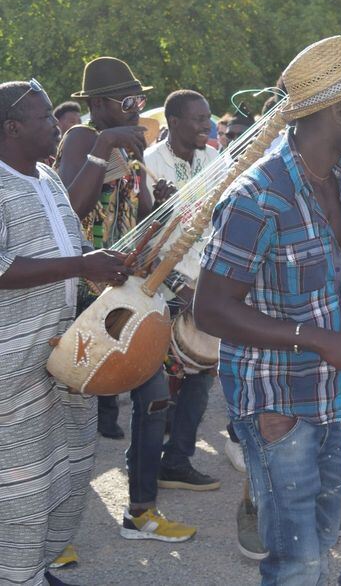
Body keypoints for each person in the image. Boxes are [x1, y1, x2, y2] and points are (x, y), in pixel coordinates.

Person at [195, 35, 341, 585]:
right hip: (276, 402)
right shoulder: (258, 195)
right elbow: (211, 310)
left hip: (324, 398)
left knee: (318, 547)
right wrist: (320, 339)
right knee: (296, 562)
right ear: (340, 110)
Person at [55, 57, 193, 543]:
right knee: (69, 417)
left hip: (124, 296)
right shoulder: (81, 139)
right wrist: (104, 144)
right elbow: (70, 210)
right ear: (97, 106)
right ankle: (52, 538)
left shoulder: (133, 148)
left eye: (139, 100)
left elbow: (134, 223)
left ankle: (141, 511)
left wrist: (164, 207)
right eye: (127, 102)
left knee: (154, 399)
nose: (138, 109)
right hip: (81, 298)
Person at [0, 79, 132, 586]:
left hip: (62, 359)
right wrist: (80, 263)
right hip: (13, 371)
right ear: (12, 128)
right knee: (20, 492)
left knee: (69, 475)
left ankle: (35, 567)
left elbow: (65, 252)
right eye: (43, 120)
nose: (58, 127)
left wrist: (100, 269)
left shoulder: (49, 179)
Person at [142, 89, 223, 492]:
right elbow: (139, 242)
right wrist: (178, 286)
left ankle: (177, 460)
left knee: (201, 376)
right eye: (197, 118)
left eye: (208, 117)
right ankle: (144, 467)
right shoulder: (150, 165)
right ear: (173, 122)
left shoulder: (214, 159)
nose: (206, 125)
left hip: (207, 284)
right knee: (156, 382)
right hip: (168, 288)